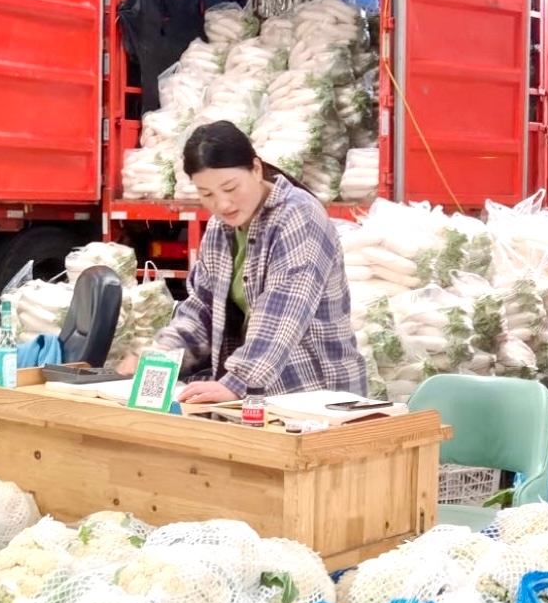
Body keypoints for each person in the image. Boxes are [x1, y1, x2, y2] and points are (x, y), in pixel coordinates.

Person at [121, 121, 367, 404]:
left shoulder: (299, 216)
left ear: (256, 169)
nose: (223, 204)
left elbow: (283, 312)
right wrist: (159, 357)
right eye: (207, 194)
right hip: (254, 396)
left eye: (231, 187)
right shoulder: (220, 229)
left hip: (317, 394)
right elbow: (202, 309)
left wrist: (238, 381)